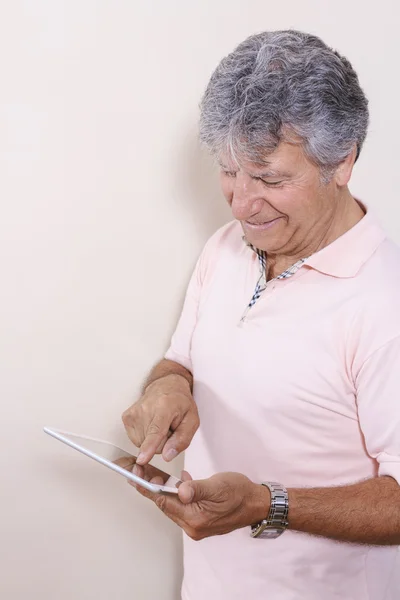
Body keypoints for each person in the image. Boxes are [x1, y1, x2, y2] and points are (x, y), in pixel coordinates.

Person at [122, 30, 400, 600]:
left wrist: (265, 504)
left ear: (342, 161)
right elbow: (180, 362)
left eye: (271, 179)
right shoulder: (225, 247)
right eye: (229, 171)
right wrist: (167, 390)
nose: (243, 204)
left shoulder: (384, 303)